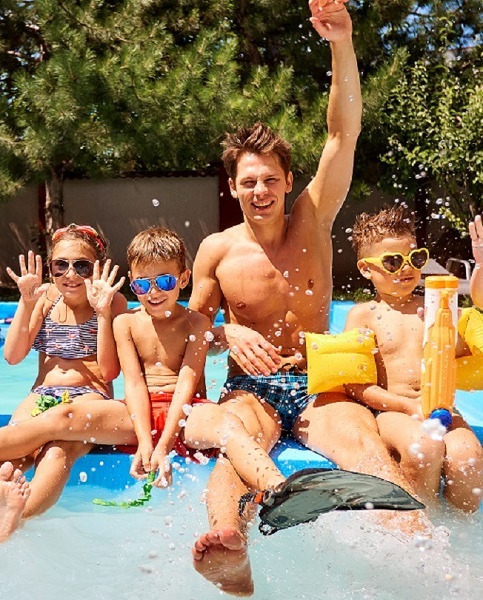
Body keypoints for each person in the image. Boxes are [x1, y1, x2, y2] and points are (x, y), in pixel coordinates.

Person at [184, 1, 424, 594]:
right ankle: (228, 544)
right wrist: (224, 332)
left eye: (270, 178)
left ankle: (419, 549)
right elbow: (188, 328)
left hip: (320, 383)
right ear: (233, 187)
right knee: (232, 454)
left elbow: (344, 133)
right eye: (248, 181)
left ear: (289, 181)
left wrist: (341, 43)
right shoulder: (216, 250)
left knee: (365, 450)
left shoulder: (314, 221)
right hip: (251, 388)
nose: (260, 189)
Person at [0, 223, 127, 543]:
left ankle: (17, 516)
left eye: (81, 266)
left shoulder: (113, 303)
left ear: (97, 268)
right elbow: (12, 356)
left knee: (58, 453)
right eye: (60, 266)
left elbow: (110, 372)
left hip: (90, 396)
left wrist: (104, 313)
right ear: (51, 267)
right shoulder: (45, 299)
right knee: (12, 451)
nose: (70, 275)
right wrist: (26, 302)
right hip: (43, 392)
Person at [344, 205, 483, 511]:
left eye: (415, 258)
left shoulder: (437, 307)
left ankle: (461, 537)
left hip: (443, 409)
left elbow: (468, 353)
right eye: (392, 261)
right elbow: (357, 387)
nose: (406, 268)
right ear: (366, 269)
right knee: (424, 449)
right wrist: (410, 406)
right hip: (395, 411)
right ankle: (422, 524)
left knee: (468, 457)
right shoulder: (364, 315)